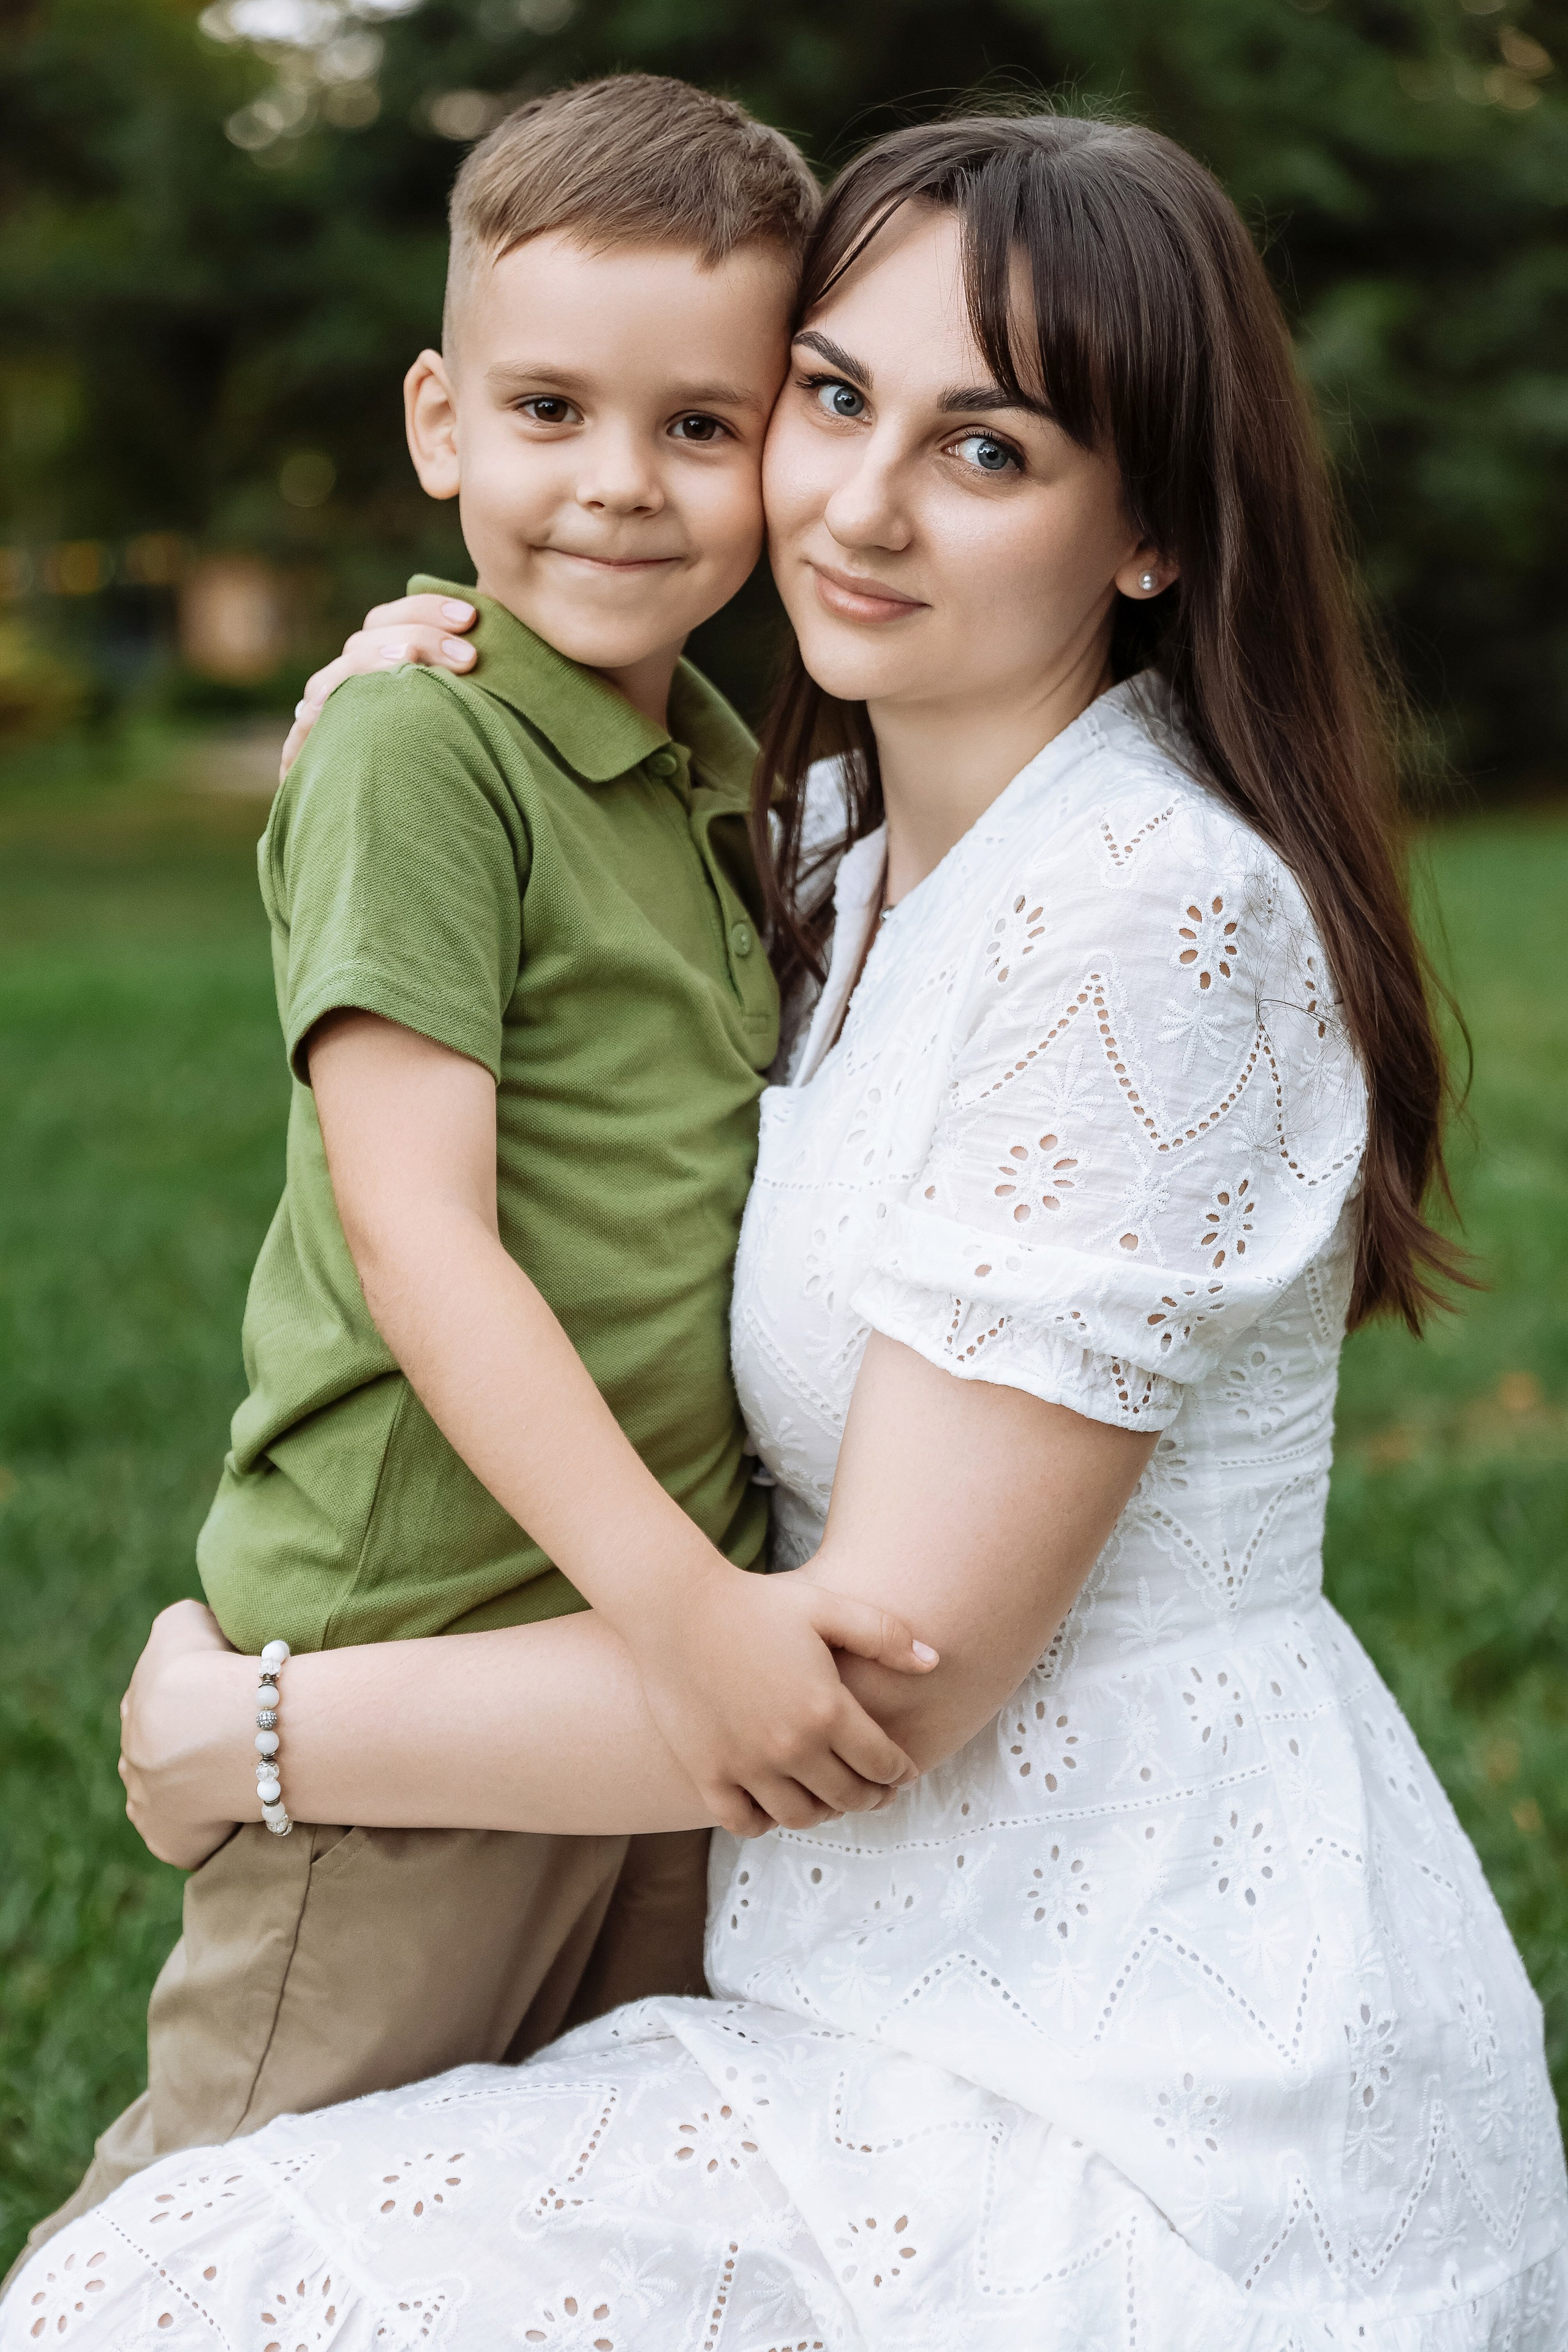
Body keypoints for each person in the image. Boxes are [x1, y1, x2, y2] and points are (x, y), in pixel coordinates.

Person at [12, 105, 1566, 2351]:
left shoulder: (1152, 922)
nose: (854, 500)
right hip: (810, 1942)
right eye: (835, 398)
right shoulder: (818, 835)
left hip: (1115, 2063)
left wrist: (256, 1734)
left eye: (989, 449)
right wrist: (414, 689)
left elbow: (875, 1689)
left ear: (1150, 539)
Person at [7, 74, 946, 2285]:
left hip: (615, 1659)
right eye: (548, 409)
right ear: (439, 422)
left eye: (699, 427)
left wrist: (675, 1621)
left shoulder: (717, 762)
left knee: (553, 2232)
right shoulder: (425, 744)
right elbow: (421, 1239)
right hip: (425, 1648)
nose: (618, 486)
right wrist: (691, 1615)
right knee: (233, 2236)